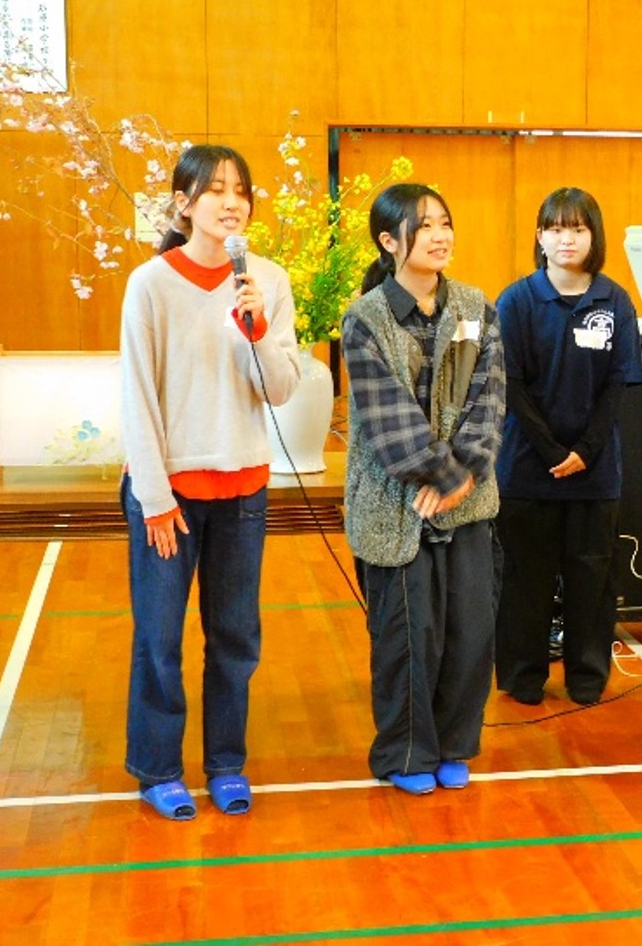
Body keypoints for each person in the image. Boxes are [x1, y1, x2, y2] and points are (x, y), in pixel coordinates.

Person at [119, 144, 302, 820]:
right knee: (159, 639)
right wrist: (154, 497)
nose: (231, 202)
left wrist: (254, 329)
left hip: (243, 489)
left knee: (235, 639)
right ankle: (158, 768)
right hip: (167, 492)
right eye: (216, 189)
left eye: (241, 190)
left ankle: (226, 763)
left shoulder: (266, 280)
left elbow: (279, 390)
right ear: (183, 203)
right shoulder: (151, 283)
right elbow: (137, 396)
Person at [342, 183, 504, 795]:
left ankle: (455, 744)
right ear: (389, 241)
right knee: (408, 638)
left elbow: (491, 398)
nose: (440, 236)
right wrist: (442, 475)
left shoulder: (475, 306)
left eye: (445, 222)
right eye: (425, 225)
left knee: (469, 631)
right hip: (396, 504)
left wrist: (464, 475)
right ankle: (406, 754)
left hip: (468, 502)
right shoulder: (365, 319)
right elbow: (389, 418)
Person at [493, 188, 642, 706]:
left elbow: (616, 386)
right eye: (556, 229)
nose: (566, 239)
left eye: (577, 229)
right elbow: (511, 384)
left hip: (595, 473)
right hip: (525, 468)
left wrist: (585, 449)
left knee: (592, 579)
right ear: (540, 236)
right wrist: (551, 450)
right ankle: (522, 677)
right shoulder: (516, 301)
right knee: (525, 581)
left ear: (593, 236)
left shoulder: (614, 301)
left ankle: (587, 677)